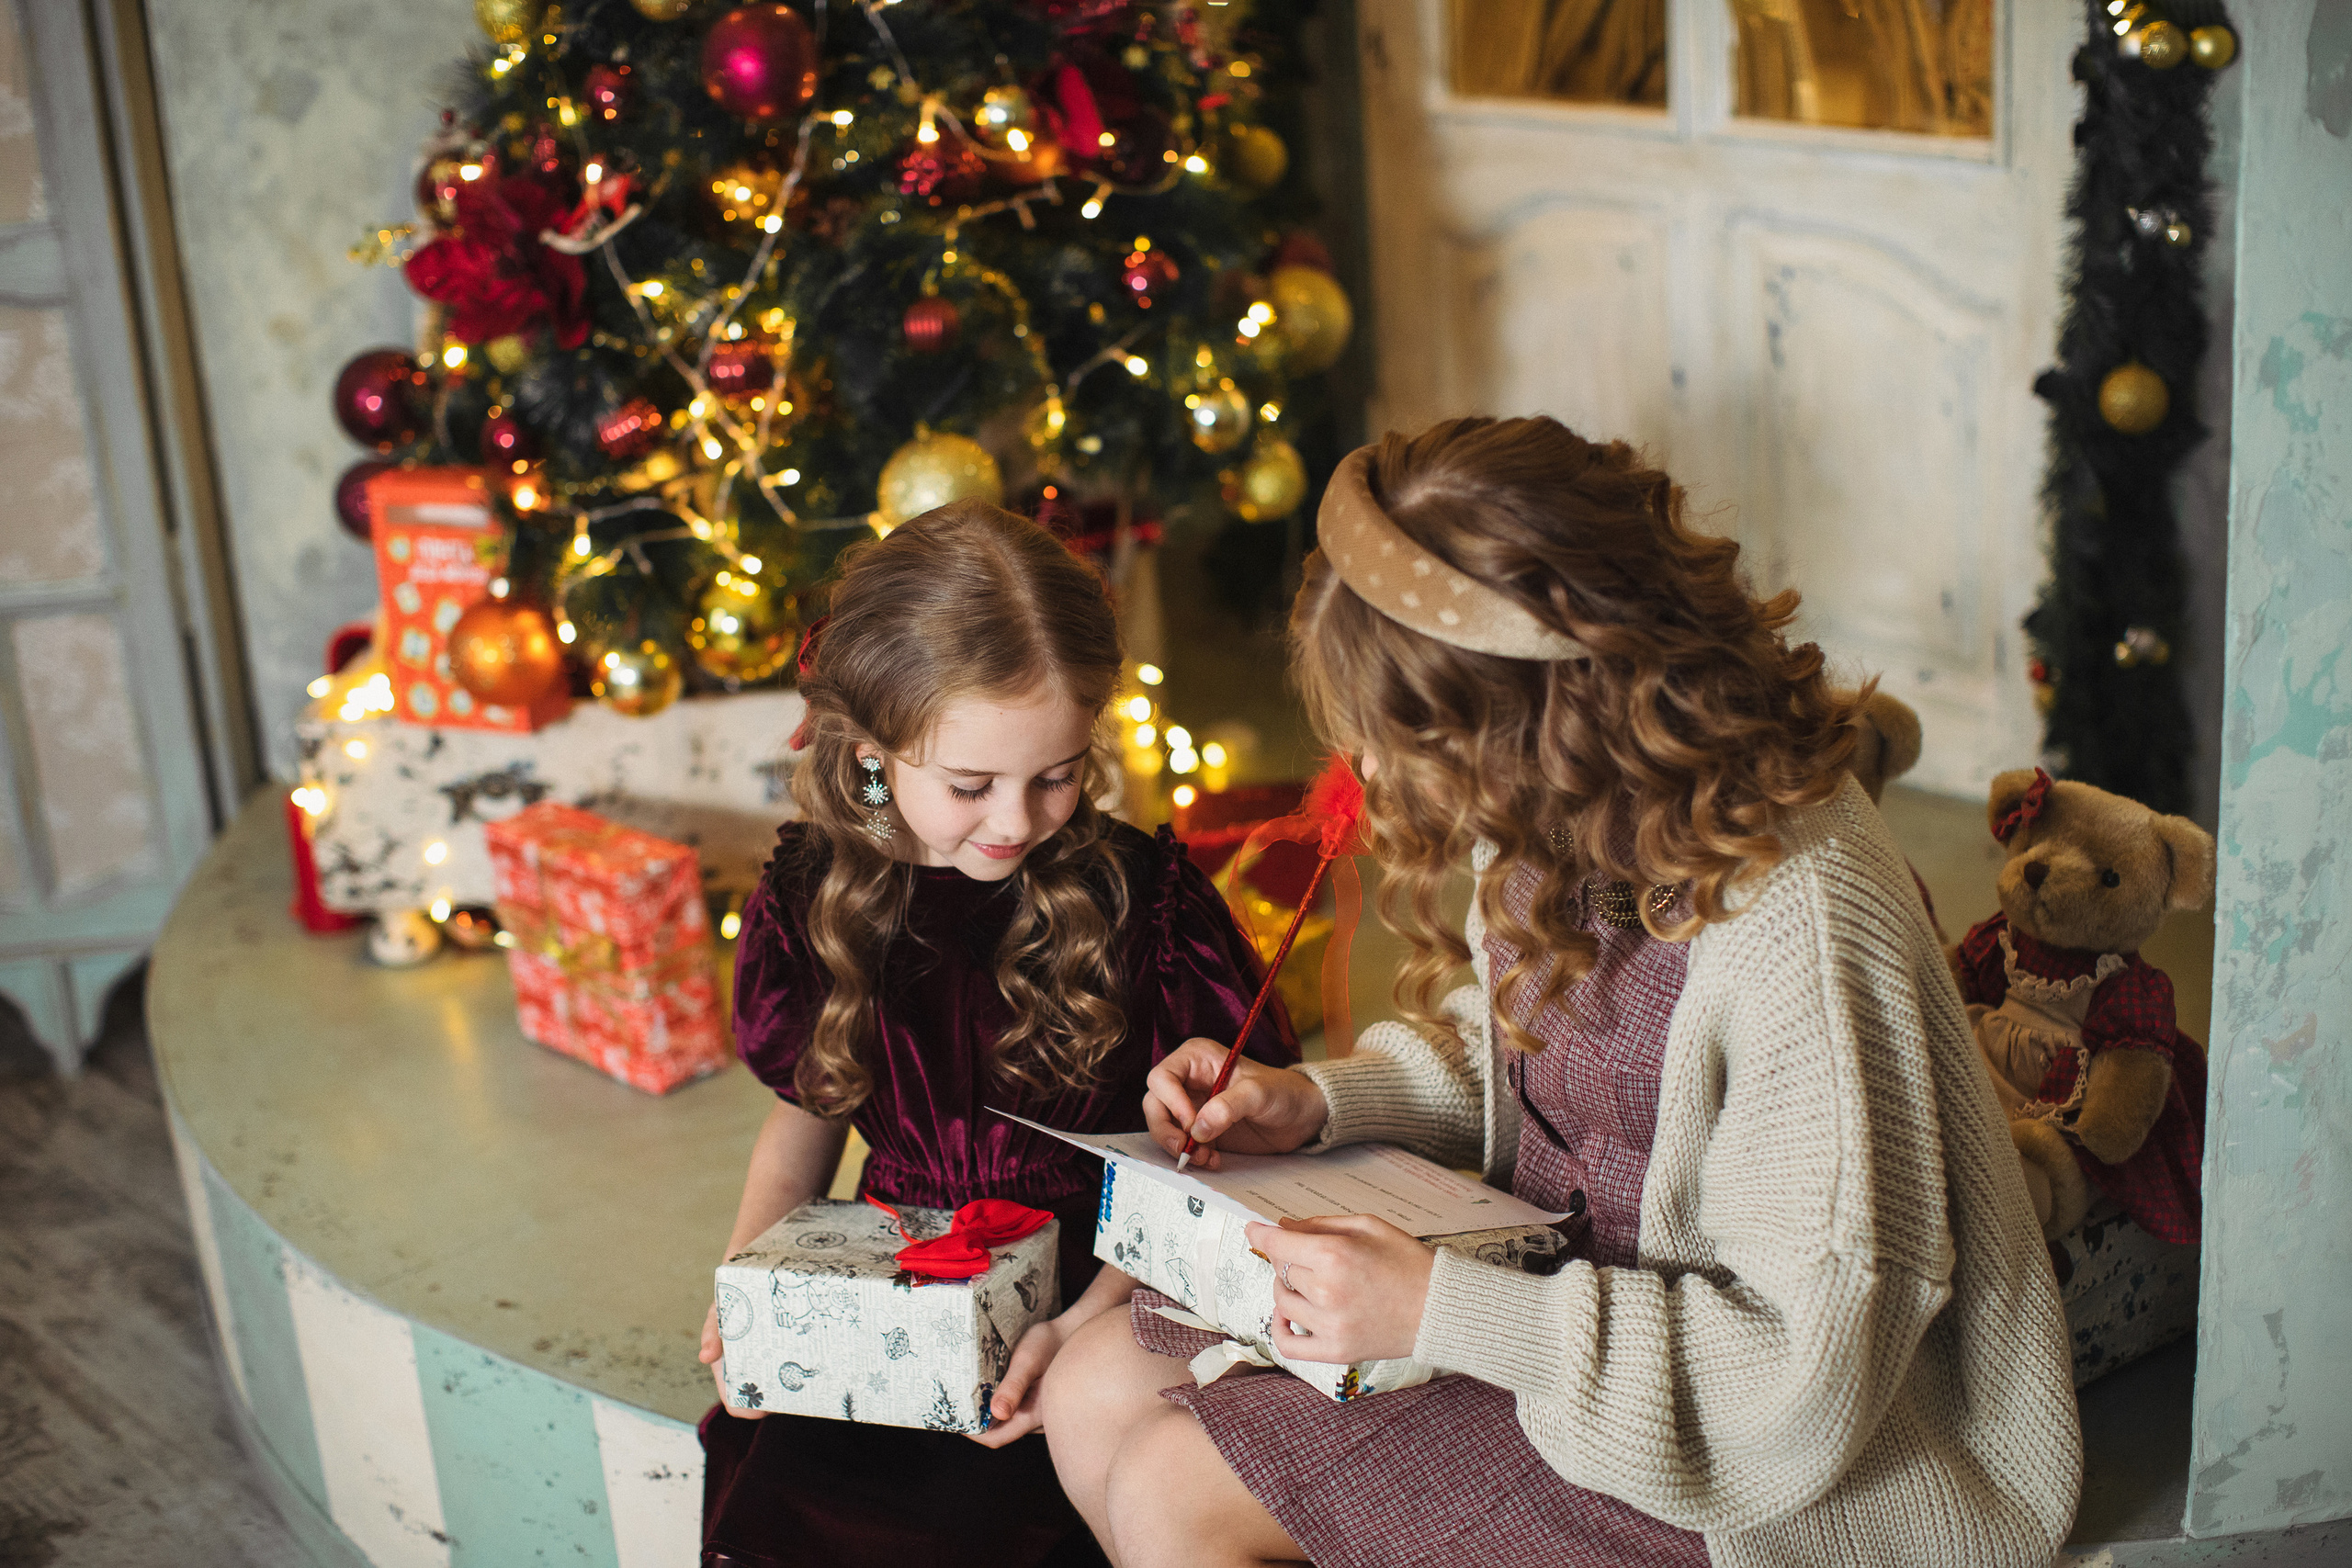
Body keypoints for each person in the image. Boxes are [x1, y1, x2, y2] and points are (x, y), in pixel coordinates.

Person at [1041, 417, 2082, 1568]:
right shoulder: (1560, 798)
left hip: (1752, 1466)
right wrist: (1321, 1103)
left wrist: (1441, 1310)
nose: (1364, 774)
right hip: (1554, 1316)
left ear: (1543, 708)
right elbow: (1539, 1067)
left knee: (1173, 1487)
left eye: (1396, 740)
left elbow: (1805, 1380)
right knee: (1091, 1389)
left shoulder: (1801, 911)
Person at [697, 501, 1297, 1568]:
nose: (1018, 820)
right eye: (970, 786)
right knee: (795, 1498)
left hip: (1109, 1287)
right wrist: (749, 1282)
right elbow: (804, 1121)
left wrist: (1081, 1326)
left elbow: (1202, 1171)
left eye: (1056, 774)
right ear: (874, 756)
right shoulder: (811, 894)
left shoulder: (1146, 904)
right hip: (891, 1286)